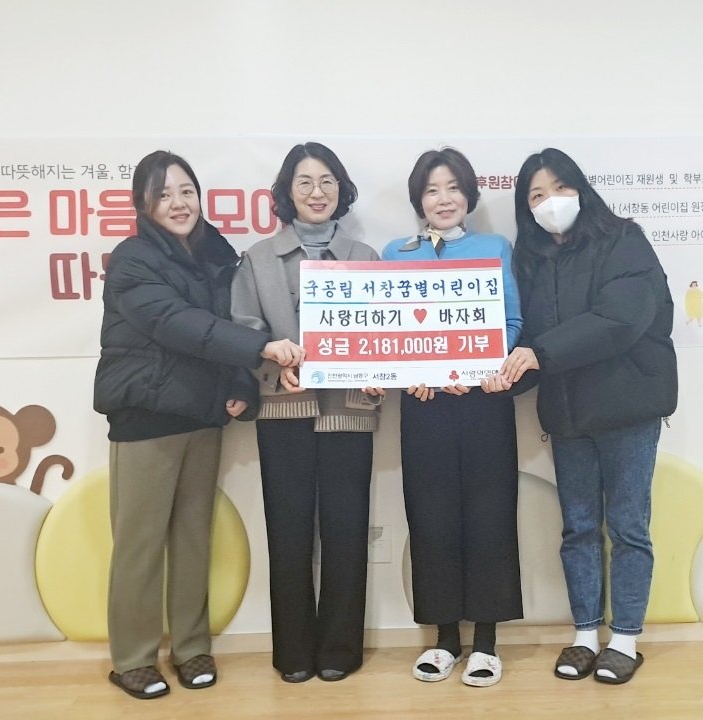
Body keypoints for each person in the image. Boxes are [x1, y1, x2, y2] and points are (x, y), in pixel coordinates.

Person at [94, 150, 304, 699]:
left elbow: (227, 325)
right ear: (143, 203)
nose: (178, 203)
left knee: (193, 539)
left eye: (186, 190)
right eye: (163, 194)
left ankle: (190, 649)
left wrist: (242, 387)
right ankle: (134, 658)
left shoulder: (218, 254)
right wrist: (263, 347)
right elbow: (180, 324)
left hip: (204, 415)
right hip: (147, 416)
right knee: (140, 544)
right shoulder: (132, 260)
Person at [483, 148, 677, 685]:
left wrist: (537, 354)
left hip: (628, 410)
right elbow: (530, 343)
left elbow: (620, 319)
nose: (551, 202)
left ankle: (626, 639)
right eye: (536, 195)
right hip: (568, 417)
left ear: (581, 189)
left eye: (559, 188)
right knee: (579, 529)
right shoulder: (533, 261)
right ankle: (586, 634)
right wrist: (496, 377)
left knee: (628, 527)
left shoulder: (623, 240)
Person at [230, 142, 383, 684]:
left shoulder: (365, 257)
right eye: (304, 182)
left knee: (347, 532)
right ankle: (292, 651)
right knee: (288, 533)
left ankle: (340, 648)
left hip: (349, 411)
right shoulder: (257, 258)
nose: (317, 193)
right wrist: (272, 363)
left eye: (326, 182)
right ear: (287, 193)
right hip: (283, 409)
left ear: (341, 190)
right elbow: (244, 332)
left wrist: (379, 371)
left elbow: (383, 334)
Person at [382, 147, 523, 688]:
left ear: (469, 195)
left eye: (453, 188)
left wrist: (481, 366)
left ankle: (486, 642)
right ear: (418, 199)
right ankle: (444, 640)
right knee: (431, 515)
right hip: (424, 404)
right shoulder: (396, 254)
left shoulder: (495, 247)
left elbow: (511, 321)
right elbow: (386, 331)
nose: (444, 199)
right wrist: (409, 373)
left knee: (490, 514)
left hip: (485, 399)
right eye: (432, 190)